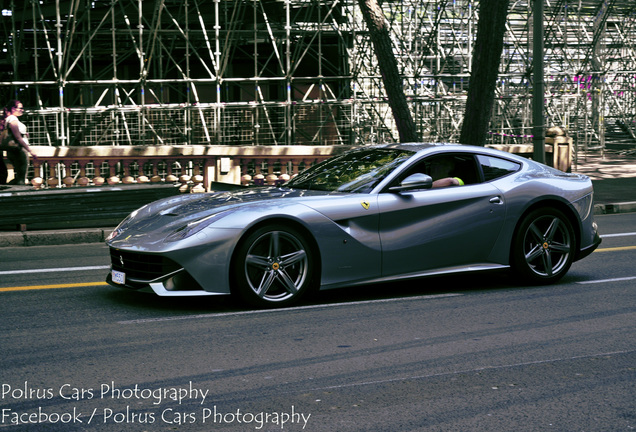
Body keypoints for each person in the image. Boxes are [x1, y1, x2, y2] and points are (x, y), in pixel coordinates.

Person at [1, 100, 37, 185]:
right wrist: (30, 150)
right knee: (21, 177)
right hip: (18, 150)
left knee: (19, 175)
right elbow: (18, 137)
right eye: (20, 108)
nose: (22, 110)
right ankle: (17, 193)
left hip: (13, 151)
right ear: (13, 109)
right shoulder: (13, 119)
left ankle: (11, 190)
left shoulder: (9, 119)